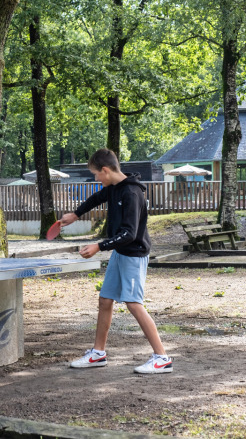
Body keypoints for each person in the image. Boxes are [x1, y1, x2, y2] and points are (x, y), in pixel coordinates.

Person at [59, 148, 171, 374]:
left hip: (133, 254)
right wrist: (76, 214)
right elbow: (96, 198)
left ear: (105, 170)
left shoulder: (131, 193)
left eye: (95, 174)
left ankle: (162, 357)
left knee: (133, 304)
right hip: (120, 252)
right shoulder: (112, 188)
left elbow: (129, 233)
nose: (95, 179)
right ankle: (98, 353)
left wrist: (99, 246)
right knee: (105, 299)